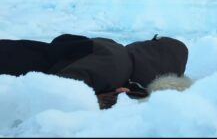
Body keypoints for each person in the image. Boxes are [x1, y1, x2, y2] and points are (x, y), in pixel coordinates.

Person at [0, 34, 189, 109]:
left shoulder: (117, 53)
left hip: (15, 53)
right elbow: (61, 90)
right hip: (11, 65)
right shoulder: (116, 66)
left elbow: (64, 41)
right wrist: (104, 99)